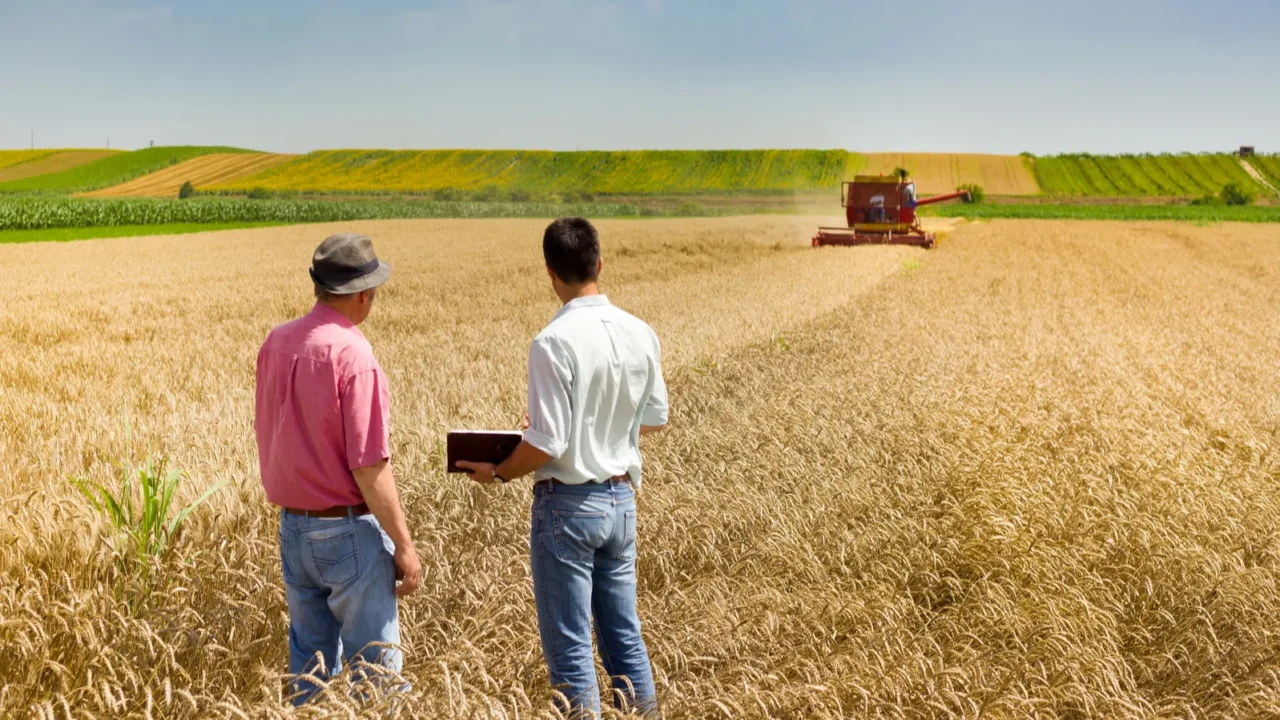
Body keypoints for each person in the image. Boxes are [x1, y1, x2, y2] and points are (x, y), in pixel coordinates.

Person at [459, 217, 668, 718]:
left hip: (569, 508)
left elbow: (547, 444)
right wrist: (601, 426)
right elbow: (656, 417)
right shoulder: (641, 332)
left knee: (572, 649)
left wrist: (502, 470)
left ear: (550, 272)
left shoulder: (552, 341)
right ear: (599, 263)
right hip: (621, 501)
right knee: (625, 637)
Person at [254, 233, 422, 705]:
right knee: (376, 676)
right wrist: (405, 547)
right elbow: (370, 466)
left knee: (308, 674)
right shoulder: (353, 354)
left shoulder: (276, 342)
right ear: (364, 294)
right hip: (347, 533)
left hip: (293, 528)